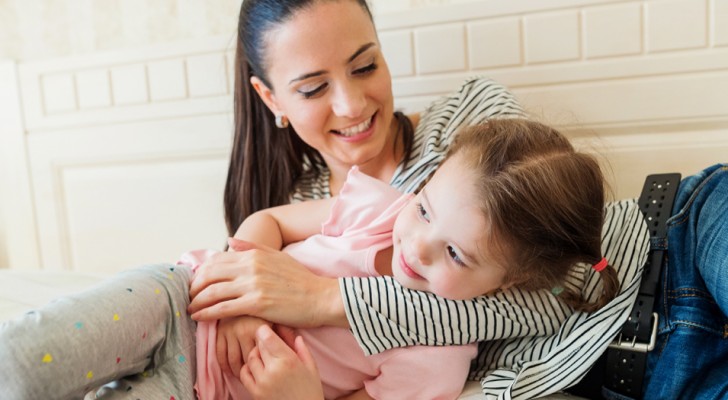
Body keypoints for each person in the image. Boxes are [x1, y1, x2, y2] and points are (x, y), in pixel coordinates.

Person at [195, 119, 620, 399]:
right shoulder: (378, 208)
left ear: (509, 282)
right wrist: (238, 305)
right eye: (423, 210)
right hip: (188, 297)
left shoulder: (437, 362)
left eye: (455, 253)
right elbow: (267, 221)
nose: (417, 247)